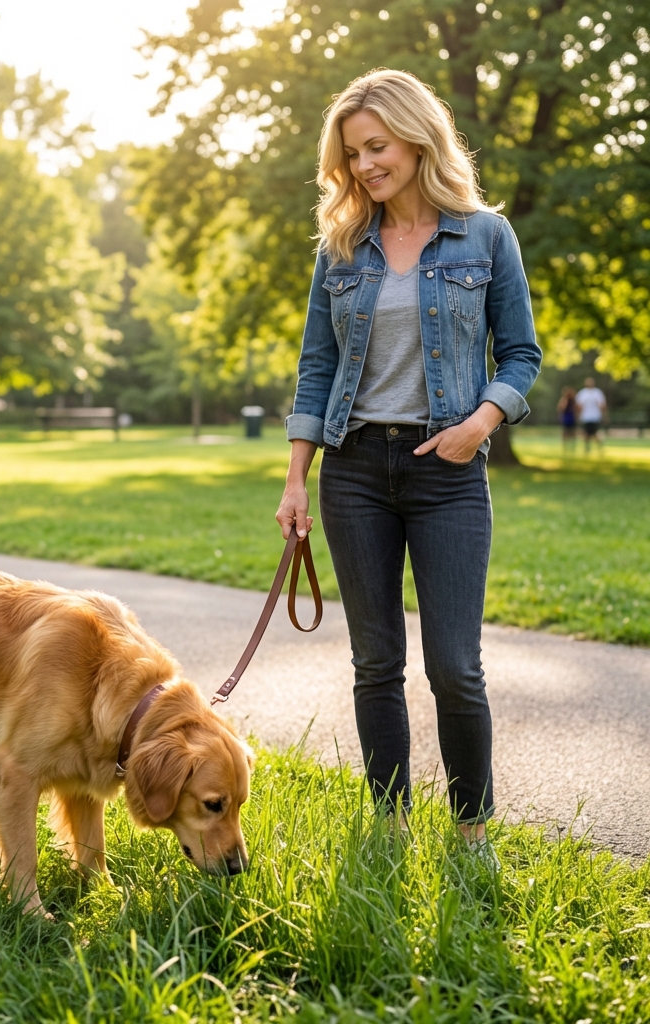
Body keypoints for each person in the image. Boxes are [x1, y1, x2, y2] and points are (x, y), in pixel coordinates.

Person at [275, 69, 541, 860]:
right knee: (375, 661)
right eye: (352, 154)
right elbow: (315, 371)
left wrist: (481, 422)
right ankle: (389, 826)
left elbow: (521, 354)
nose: (363, 167)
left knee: (456, 666)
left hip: (448, 474)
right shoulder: (342, 247)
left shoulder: (485, 236)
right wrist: (296, 477)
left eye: (376, 147)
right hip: (353, 470)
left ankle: (471, 832)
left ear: (418, 136)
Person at [575, 377, 607, 453]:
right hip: (585, 417)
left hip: (595, 416)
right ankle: (587, 449)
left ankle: (600, 449)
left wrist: (604, 415)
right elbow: (578, 406)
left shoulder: (597, 392)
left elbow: (602, 405)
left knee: (595, 433)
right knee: (586, 434)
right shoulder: (582, 393)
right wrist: (578, 415)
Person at [557, 386, 577, 453]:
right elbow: (560, 408)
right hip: (566, 418)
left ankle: (572, 448)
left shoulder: (573, 401)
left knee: (572, 433)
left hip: (572, 418)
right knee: (565, 433)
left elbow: (576, 409)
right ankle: (565, 448)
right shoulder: (564, 400)